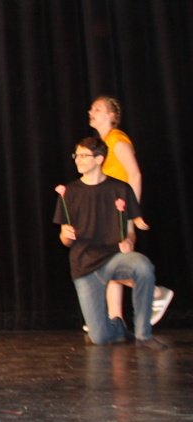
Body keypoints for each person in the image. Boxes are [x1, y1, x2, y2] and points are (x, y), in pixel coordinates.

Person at [54, 137, 164, 348]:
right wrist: (66, 235)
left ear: (99, 159)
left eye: (83, 155)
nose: (78, 160)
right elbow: (65, 240)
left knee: (142, 266)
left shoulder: (120, 189)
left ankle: (143, 334)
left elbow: (130, 231)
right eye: (76, 155)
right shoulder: (69, 193)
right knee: (100, 338)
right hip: (84, 265)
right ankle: (118, 327)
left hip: (114, 258)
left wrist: (129, 241)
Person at [87, 96, 173, 325]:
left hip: (119, 210)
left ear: (112, 116)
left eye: (98, 108)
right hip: (110, 211)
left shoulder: (117, 139)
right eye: (92, 108)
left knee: (102, 263)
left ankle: (155, 293)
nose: (91, 111)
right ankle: (115, 319)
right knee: (114, 262)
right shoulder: (103, 143)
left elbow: (134, 174)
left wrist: (131, 211)